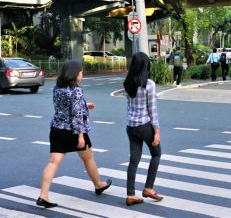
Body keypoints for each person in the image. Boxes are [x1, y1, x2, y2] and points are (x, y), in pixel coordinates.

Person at [37, 60, 111, 209]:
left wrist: (84, 104)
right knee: (88, 158)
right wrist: (80, 135)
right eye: (81, 72)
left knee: (53, 162)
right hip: (73, 131)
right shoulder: (76, 90)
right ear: (75, 74)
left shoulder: (57, 88)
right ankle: (98, 184)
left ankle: (43, 195)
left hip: (57, 129)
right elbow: (77, 115)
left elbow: (66, 106)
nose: (82, 74)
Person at [123, 52, 163, 206]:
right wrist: (157, 132)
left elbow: (129, 105)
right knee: (156, 153)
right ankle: (148, 188)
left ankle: (130, 194)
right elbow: (152, 110)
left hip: (130, 126)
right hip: (144, 125)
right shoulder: (149, 84)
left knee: (134, 160)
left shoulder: (127, 83)